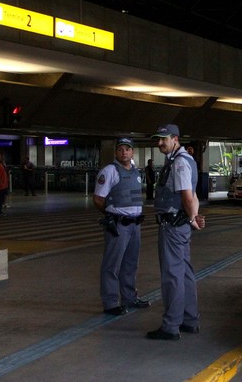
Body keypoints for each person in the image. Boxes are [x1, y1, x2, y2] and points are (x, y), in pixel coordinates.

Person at [147, 123, 206, 341]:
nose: (160, 143)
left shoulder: (179, 163)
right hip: (180, 225)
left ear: (175, 139)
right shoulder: (182, 160)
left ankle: (171, 326)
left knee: (172, 275)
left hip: (172, 226)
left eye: (164, 139)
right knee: (185, 273)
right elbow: (194, 196)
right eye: (158, 139)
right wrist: (193, 219)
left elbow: (188, 197)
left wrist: (191, 218)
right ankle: (190, 320)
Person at [93, 138, 150, 316]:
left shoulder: (136, 172)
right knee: (112, 264)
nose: (124, 152)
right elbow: (98, 199)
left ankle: (129, 298)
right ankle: (110, 303)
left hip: (135, 225)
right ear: (116, 153)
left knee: (131, 264)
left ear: (132, 152)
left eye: (127, 149)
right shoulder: (110, 171)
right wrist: (111, 216)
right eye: (120, 150)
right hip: (118, 225)